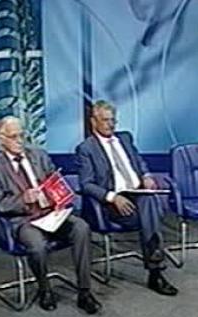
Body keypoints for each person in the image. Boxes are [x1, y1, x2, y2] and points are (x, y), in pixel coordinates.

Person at [0, 116, 102, 314]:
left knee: (81, 227)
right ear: (1, 139)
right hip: (25, 221)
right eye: (14, 137)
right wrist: (23, 199)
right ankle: (44, 289)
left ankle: (85, 291)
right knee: (37, 246)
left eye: (22, 135)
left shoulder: (39, 156)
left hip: (51, 214)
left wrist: (59, 197)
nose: (19, 141)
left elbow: (56, 181)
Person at [75, 100, 178, 295]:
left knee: (148, 199)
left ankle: (155, 266)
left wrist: (146, 175)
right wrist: (113, 197)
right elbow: (86, 184)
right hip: (113, 203)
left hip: (138, 194)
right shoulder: (86, 149)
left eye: (113, 120)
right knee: (151, 208)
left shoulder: (125, 138)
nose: (111, 125)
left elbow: (139, 161)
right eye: (105, 120)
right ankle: (155, 270)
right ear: (93, 122)